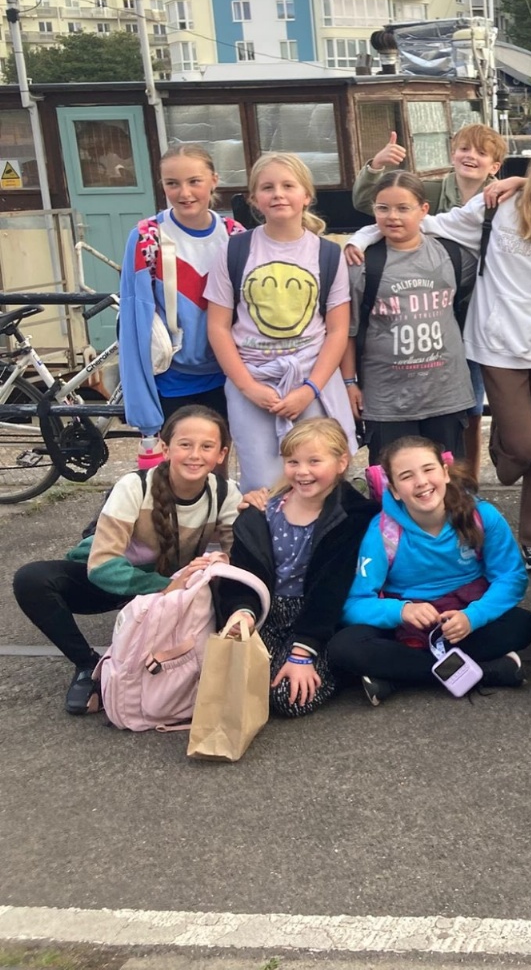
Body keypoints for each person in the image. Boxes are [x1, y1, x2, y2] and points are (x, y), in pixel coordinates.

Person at [351, 135, 531, 565]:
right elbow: (424, 222)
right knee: (523, 448)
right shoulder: (497, 206)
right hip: (497, 343)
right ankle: (505, 444)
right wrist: (360, 237)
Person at [12, 406, 237, 715]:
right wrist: (165, 586)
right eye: (185, 444)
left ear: (222, 454)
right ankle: (87, 666)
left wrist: (259, 509)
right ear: (165, 447)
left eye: (207, 446)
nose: (195, 455)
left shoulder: (226, 493)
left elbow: (239, 560)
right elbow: (102, 566)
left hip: (168, 588)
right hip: (111, 581)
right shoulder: (133, 486)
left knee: (224, 587)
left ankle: (201, 662)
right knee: (31, 579)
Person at [330, 436, 531, 704]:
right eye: (406, 476)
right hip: (405, 628)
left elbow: (511, 578)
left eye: (428, 469)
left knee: (523, 625)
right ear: (394, 490)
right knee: (343, 647)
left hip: (463, 621)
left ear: (445, 472)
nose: (421, 482)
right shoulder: (382, 532)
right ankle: (487, 671)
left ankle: (397, 677)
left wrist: (473, 617)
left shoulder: (481, 515)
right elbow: (354, 603)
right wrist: (401, 611)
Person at [204, 153, 356, 493]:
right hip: (253, 381)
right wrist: (248, 387)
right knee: (263, 484)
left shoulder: (328, 255)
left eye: (288, 186)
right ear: (254, 198)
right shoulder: (234, 251)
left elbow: (336, 331)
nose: (278, 194)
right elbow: (218, 327)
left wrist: (309, 390)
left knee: (321, 476)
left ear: (307, 195)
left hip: (312, 381)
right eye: (267, 187)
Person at [216, 418, 379, 717]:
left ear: (341, 462)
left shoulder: (353, 516)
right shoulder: (264, 510)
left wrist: (303, 651)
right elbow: (243, 572)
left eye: (314, 461)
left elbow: (332, 589)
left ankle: (347, 670)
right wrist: (243, 611)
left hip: (318, 619)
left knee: (285, 698)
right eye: (293, 462)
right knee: (237, 685)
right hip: (267, 611)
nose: (302, 471)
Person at [341, 171, 478, 463]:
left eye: (403, 208)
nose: (393, 216)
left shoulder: (452, 255)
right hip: (386, 398)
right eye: (383, 208)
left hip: (446, 393)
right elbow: (348, 329)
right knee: (391, 479)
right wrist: (349, 382)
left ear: (423, 210)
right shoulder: (362, 263)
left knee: (448, 478)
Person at [119, 144, 246, 441]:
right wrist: (142, 408)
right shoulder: (146, 238)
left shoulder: (234, 235)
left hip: (228, 375)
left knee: (216, 459)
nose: (184, 193)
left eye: (194, 181)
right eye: (172, 183)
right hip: (172, 380)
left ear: (214, 180)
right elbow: (133, 322)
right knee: (179, 463)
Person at [352, 122, 504, 216]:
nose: (470, 156)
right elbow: (365, 203)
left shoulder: (505, 199)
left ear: (494, 167)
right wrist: (376, 165)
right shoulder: (428, 192)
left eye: (481, 153)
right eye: (464, 149)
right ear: (453, 156)